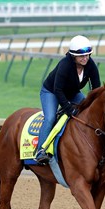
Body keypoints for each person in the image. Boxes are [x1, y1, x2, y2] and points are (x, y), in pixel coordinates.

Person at [35, 35, 101, 164]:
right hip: (51, 92)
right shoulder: (65, 65)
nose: (85, 58)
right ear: (73, 56)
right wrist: (69, 109)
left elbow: (96, 89)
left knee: (88, 113)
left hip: (73, 93)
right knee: (50, 118)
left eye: (88, 55)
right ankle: (40, 151)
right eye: (82, 56)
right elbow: (58, 90)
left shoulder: (91, 65)